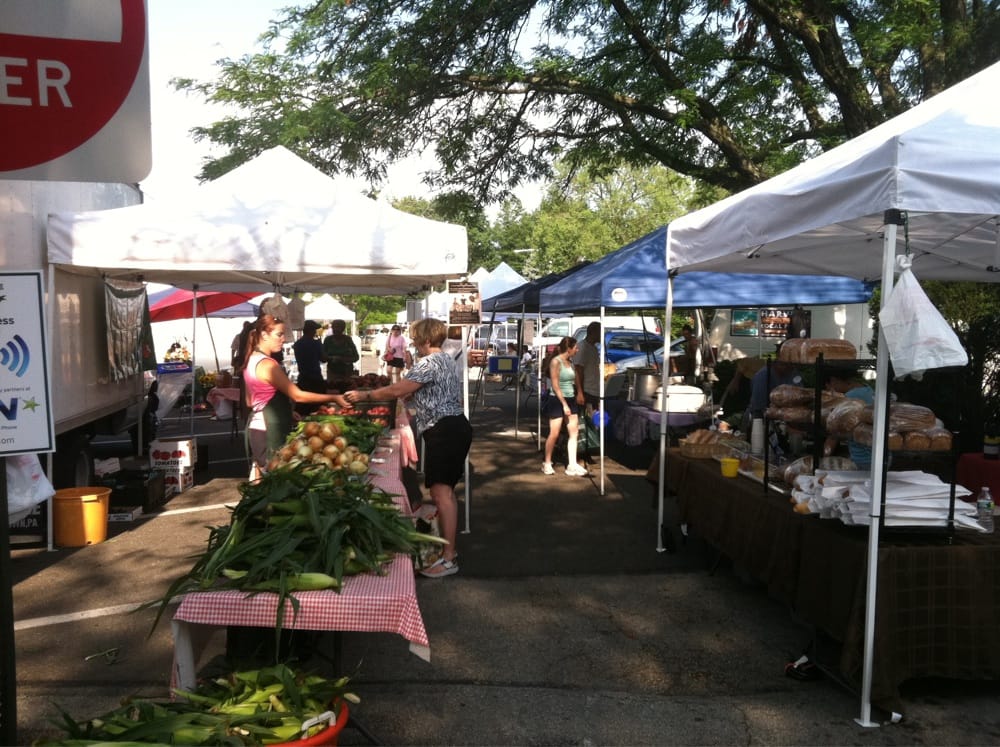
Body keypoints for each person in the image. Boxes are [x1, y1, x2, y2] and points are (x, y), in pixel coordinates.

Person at [344, 318, 472, 579]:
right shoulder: (446, 359)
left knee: (441, 493)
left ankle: (449, 558)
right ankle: (447, 549)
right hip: (454, 427)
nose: (412, 341)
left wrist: (365, 396)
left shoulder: (428, 362)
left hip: (445, 430)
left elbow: (398, 389)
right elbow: (426, 391)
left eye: (415, 337)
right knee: (443, 492)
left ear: (425, 339)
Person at [243, 314, 350, 477]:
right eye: (279, 334)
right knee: (276, 480)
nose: (284, 339)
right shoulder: (267, 365)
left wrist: (285, 411)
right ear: (264, 335)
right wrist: (334, 398)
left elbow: (250, 401)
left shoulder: (252, 359)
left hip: (257, 429)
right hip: (269, 431)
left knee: (264, 477)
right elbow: (297, 395)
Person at [544, 336, 588, 477]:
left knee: (574, 432)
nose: (577, 349)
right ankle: (547, 462)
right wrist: (563, 404)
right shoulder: (555, 362)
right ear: (569, 349)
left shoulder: (571, 362)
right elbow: (555, 385)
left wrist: (579, 393)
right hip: (557, 399)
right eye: (576, 347)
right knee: (554, 433)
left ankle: (572, 464)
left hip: (570, 398)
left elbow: (576, 379)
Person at [822, 368, 875, 469]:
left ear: (834, 380)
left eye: (830, 386)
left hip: (862, 458)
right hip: (878, 455)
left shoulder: (848, 398)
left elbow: (834, 435)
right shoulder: (869, 390)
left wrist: (823, 461)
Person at [292, 319, 328, 415]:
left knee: (303, 407)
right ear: (311, 330)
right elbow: (324, 359)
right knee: (318, 407)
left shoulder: (297, 344)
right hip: (315, 377)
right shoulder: (315, 343)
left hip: (303, 377)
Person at [573, 321, 602, 412]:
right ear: (593, 333)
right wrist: (580, 392)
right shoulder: (582, 347)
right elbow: (578, 371)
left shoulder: (593, 348)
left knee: (593, 418)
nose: (602, 335)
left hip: (594, 389)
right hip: (586, 390)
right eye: (600, 332)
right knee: (586, 419)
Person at [322, 319, 359, 385]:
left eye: (338, 327)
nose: (335, 329)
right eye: (334, 327)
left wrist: (342, 359)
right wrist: (331, 358)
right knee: (333, 390)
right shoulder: (328, 340)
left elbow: (356, 357)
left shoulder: (348, 340)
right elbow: (323, 357)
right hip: (332, 373)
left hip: (347, 373)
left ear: (343, 329)